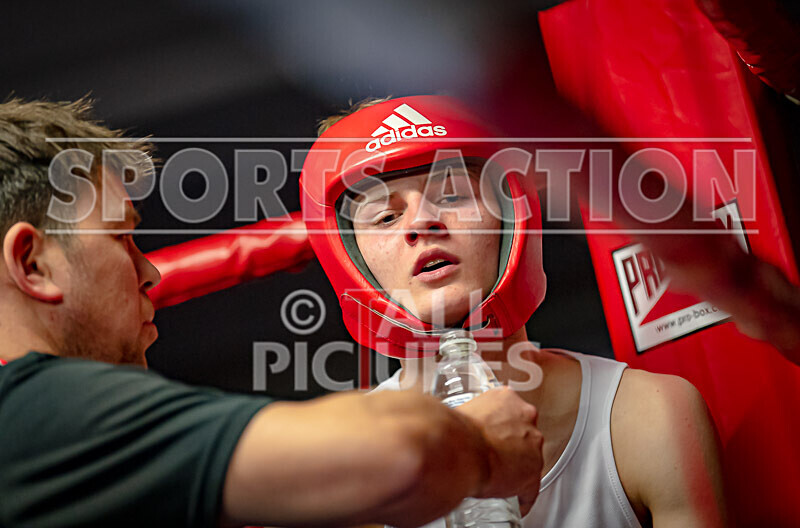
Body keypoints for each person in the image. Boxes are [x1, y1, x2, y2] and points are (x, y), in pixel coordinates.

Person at [0, 97, 545, 527]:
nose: (151, 272)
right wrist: (477, 445)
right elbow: (400, 452)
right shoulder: (35, 413)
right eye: (120, 238)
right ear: (32, 265)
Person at [300, 95, 728, 527]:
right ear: (350, 258)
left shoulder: (646, 416)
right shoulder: (346, 467)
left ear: (511, 215)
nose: (421, 224)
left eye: (452, 195)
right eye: (387, 216)